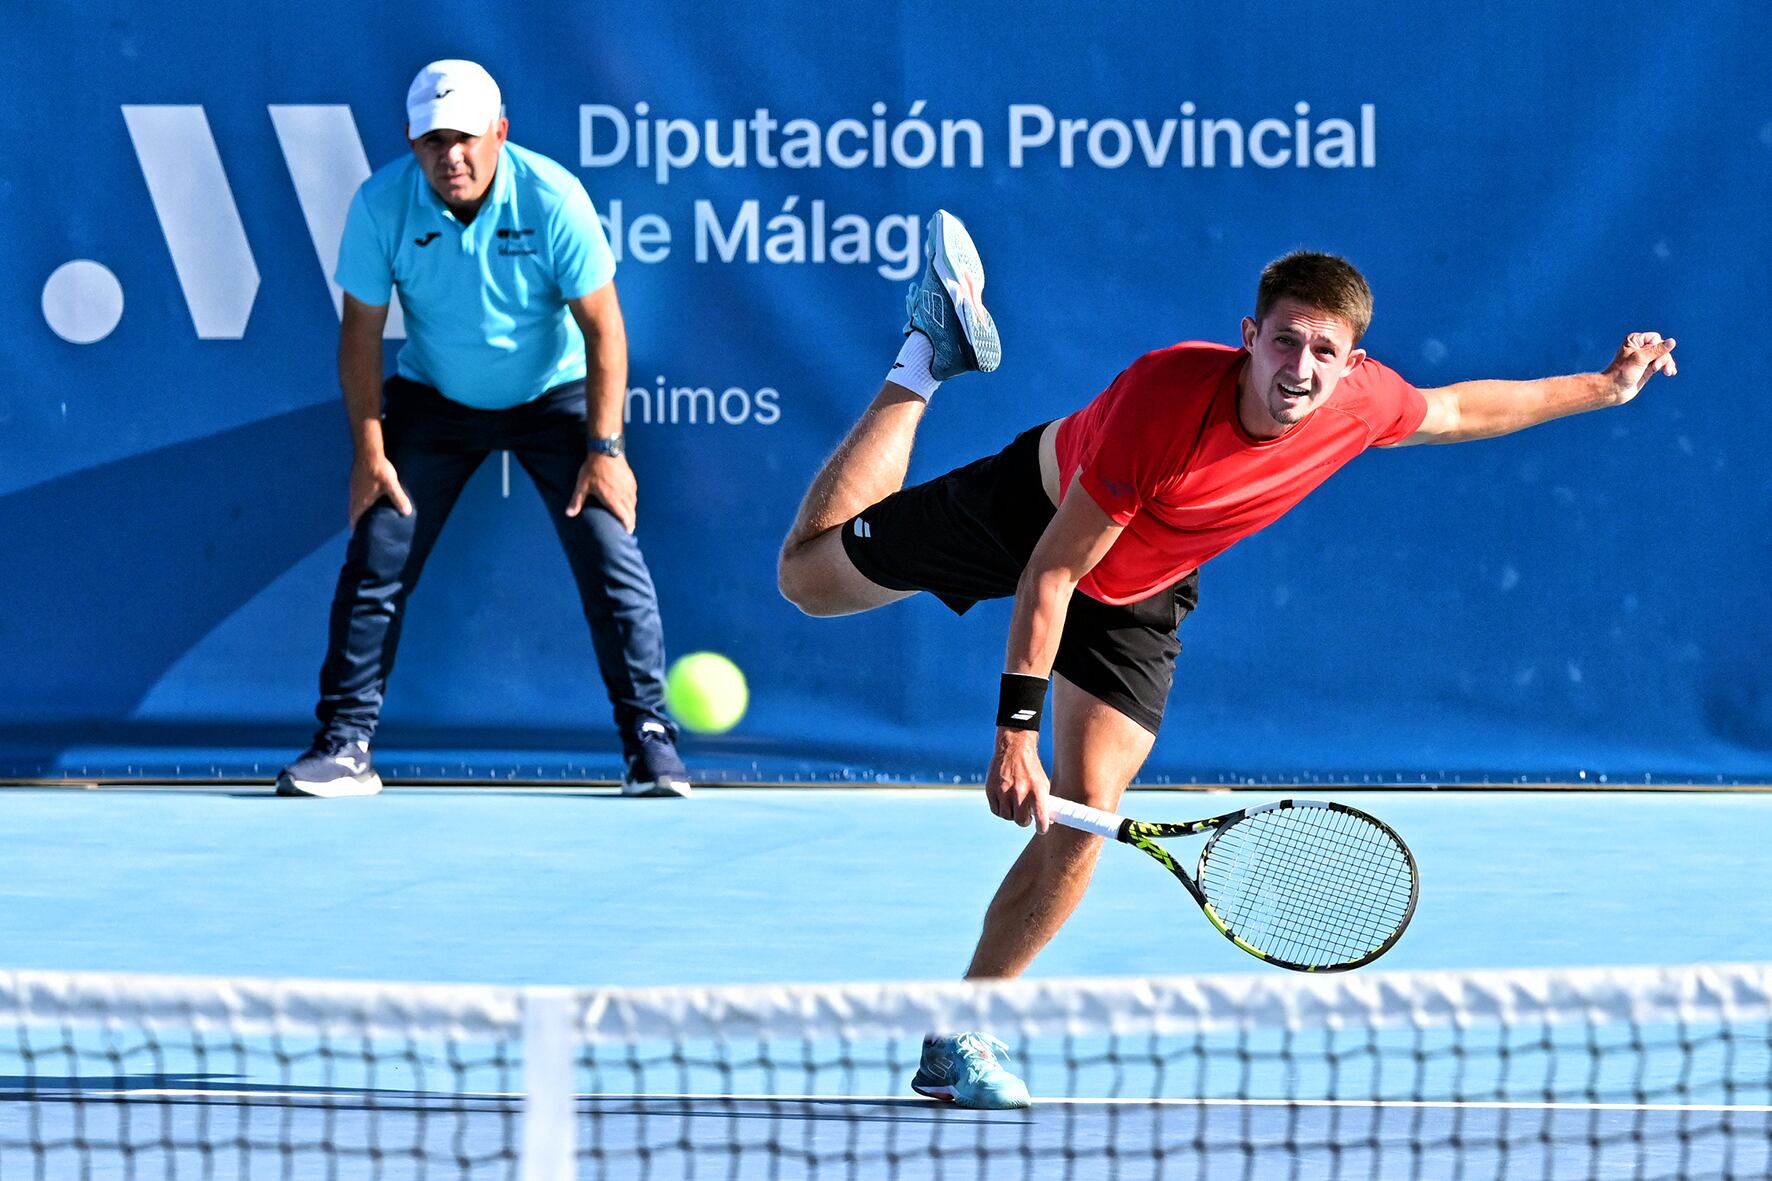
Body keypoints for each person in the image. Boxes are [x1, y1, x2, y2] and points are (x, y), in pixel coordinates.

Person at [777, 210, 1678, 1108]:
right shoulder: (1163, 402)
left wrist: (1605, 387)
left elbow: (1457, 408)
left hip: (1140, 583)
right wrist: (1015, 733)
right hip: (1040, 516)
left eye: (1326, 352)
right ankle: (924, 361)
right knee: (807, 578)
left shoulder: (1361, 403)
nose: (1302, 369)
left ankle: (964, 1026)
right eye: (1285, 343)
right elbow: (1051, 572)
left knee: (1087, 811)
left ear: (1354, 364)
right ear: (1250, 338)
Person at [277, 60, 689, 800]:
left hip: (555, 397)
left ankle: (649, 743)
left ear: (499, 132)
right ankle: (344, 743)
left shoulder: (554, 197)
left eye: (465, 137)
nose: (451, 156)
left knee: (607, 546)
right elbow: (360, 338)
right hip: (436, 400)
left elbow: (604, 329)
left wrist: (606, 449)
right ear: (412, 141)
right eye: (433, 140)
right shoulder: (381, 205)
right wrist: (369, 453)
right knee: (380, 548)